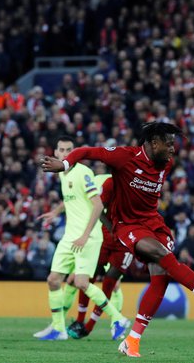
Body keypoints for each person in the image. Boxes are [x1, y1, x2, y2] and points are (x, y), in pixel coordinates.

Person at [41, 121, 194, 357]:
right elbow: (89, 151)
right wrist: (65, 163)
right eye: (169, 144)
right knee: (161, 255)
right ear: (154, 143)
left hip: (155, 224)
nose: (173, 149)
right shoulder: (124, 157)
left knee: (161, 277)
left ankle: (132, 340)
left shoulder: (166, 164)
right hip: (128, 226)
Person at [34, 135, 129, 341]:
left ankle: (118, 318)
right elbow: (73, 198)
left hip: (88, 237)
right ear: (56, 152)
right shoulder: (61, 174)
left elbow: (97, 204)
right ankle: (58, 329)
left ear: (74, 152)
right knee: (53, 280)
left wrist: (85, 236)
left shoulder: (83, 172)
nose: (65, 154)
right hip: (70, 237)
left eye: (69, 150)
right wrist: (56, 212)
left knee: (82, 282)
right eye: (61, 150)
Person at [67, 175, 132, 339]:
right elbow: (97, 208)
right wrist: (110, 227)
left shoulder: (140, 185)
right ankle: (80, 320)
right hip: (104, 237)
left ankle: (92, 326)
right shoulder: (110, 182)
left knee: (111, 282)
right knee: (88, 277)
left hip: (127, 241)